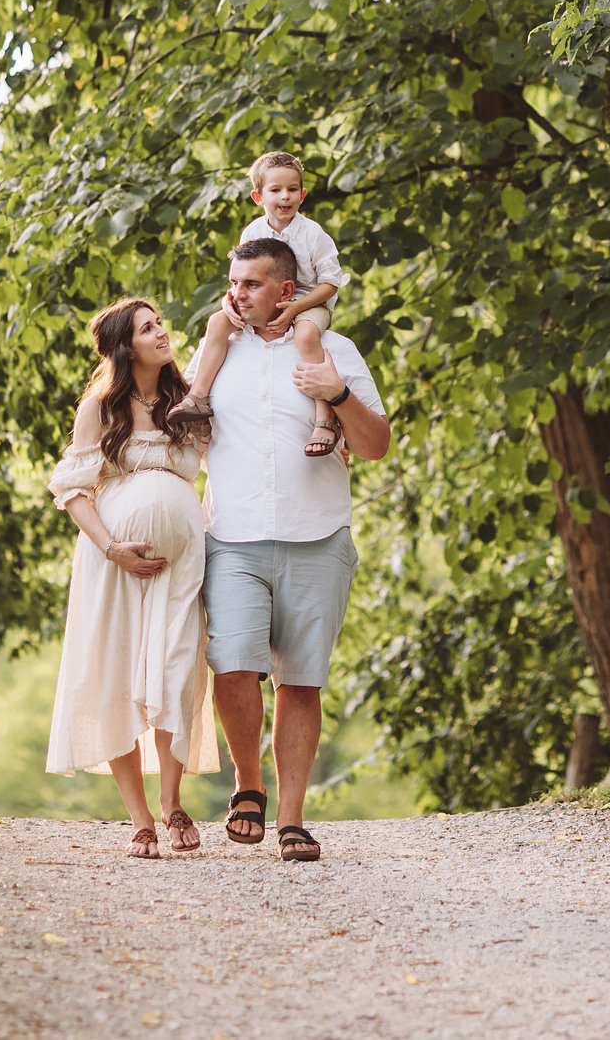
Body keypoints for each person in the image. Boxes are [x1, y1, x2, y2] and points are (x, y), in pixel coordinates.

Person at [201, 237, 390, 862]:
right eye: (234, 282)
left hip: (317, 536)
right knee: (230, 664)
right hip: (232, 537)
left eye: (251, 284)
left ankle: (291, 820)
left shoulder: (334, 349)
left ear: (287, 290)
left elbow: (375, 445)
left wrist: (336, 395)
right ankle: (247, 784)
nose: (237, 294)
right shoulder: (216, 351)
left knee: (300, 681)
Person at [44, 298, 219, 857]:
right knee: (116, 676)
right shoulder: (98, 410)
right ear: (126, 346)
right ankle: (140, 818)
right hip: (114, 566)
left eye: (160, 323)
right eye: (148, 328)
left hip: (180, 569)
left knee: (176, 670)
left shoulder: (186, 400)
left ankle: (173, 804)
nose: (162, 332)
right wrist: (113, 546)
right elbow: (73, 490)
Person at [182, 151, 349, 456]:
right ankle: (198, 396)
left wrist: (297, 309)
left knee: (305, 335)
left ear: (303, 194)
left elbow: (330, 283)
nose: (285, 196)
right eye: (275, 190)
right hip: (264, 299)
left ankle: (324, 416)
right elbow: (243, 277)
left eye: (292, 189)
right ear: (258, 197)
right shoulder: (253, 232)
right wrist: (229, 299)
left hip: (309, 301)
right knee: (218, 321)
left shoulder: (313, 234)